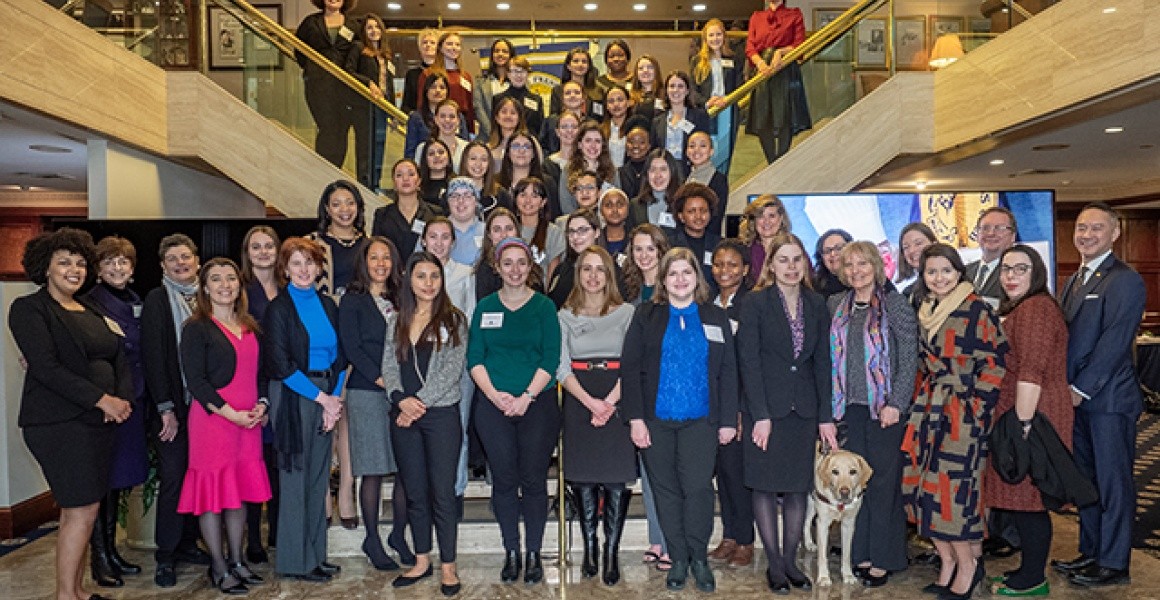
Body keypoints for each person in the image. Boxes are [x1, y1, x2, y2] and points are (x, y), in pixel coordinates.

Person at [10, 228, 134, 600]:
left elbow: (119, 355)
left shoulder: (92, 307)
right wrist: (102, 399)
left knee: (83, 509)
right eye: (64, 262)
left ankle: (77, 591)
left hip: (98, 423)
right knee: (81, 509)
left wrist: (121, 399)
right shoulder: (30, 309)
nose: (74, 270)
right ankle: (67, 596)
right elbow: (46, 368)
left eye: (81, 263)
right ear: (45, 268)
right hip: (57, 423)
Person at [622, 246, 738, 593]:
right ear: (663, 279)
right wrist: (635, 419)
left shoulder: (714, 317)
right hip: (655, 421)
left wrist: (729, 419)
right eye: (672, 273)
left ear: (696, 278)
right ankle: (678, 558)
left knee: (699, 490)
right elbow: (630, 370)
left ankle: (699, 558)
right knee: (666, 492)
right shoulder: (646, 315)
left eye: (686, 272)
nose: (680, 279)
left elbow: (729, 372)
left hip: (702, 421)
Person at [902, 243, 1008, 600]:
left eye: (946, 270)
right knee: (925, 490)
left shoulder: (977, 309)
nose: (939, 278)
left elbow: (995, 364)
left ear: (959, 272)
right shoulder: (925, 308)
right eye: (931, 271)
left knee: (955, 494)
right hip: (929, 411)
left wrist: (976, 410)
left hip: (961, 415)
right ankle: (946, 563)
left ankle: (968, 566)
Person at [1052, 202, 1146, 588]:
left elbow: (1114, 342)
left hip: (1107, 402)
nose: (1086, 235)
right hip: (1077, 403)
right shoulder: (1075, 279)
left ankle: (1114, 563)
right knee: (1086, 483)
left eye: (1095, 228)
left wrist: (1079, 388)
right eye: (1081, 228)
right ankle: (1091, 553)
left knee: (1114, 484)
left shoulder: (1124, 279)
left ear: (1115, 233)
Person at [738, 233, 835, 592]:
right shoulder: (755, 303)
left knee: (797, 488)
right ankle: (775, 566)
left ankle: (792, 561)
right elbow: (748, 360)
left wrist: (825, 415)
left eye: (797, 260)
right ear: (771, 265)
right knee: (763, 487)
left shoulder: (816, 304)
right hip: (765, 410)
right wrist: (760, 414)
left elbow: (822, 363)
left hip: (804, 410)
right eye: (784, 260)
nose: (791, 267)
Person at [468, 237, 562, 584]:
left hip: (537, 404)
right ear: (497, 267)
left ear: (530, 266)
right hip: (492, 407)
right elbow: (475, 358)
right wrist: (494, 396)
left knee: (534, 480)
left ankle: (534, 554)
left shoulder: (544, 307)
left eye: (521, 262)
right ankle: (512, 552)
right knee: (504, 481)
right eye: (508, 263)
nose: (515, 269)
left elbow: (550, 358)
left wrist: (525, 396)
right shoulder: (485, 307)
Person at [981, 244, 1072, 597]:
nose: (1011, 276)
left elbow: (1031, 371)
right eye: (1006, 269)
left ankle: (1034, 580)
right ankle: (1028, 571)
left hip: (1033, 416)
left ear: (1036, 273)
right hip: (1025, 412)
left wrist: (1021, 427)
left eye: (1021, 269)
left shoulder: (1035, 309)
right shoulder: (1025, 307)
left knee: (1030, 499)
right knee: (1022, 499)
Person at [178, 258, 272, 594]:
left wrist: (262, 405)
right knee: (212, 496)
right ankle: (218, 566)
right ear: (204, 287)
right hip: (214, 422)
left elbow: (260, 375)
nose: (224, 285)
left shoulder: (250, 326)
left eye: (231, 278)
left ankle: (238, 560)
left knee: (239, 494)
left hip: (249, 422)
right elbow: (197, 381)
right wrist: (230, 413)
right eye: (215, 279)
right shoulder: (197, 328)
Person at [828, 240, 918, 587]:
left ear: (876, 267)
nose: (856, 271)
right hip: (849, 409)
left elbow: (909, 358)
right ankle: (860, 551)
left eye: (863, 264)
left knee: (882, 483)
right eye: (849, 265)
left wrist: (897, 402)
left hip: (885, 410)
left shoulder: (895, 305)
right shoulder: (836, 305)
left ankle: (885, 556)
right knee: (856, 484)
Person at [383, 252, 470, 595]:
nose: (429, 283)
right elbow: (388, 366)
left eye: (435, 276)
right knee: (415, 492)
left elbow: (452, 371)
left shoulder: (454, 320)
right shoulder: (396, 320)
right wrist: (399, 400)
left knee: (443, 493)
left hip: (440, 416)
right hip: (402, 416)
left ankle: (449, 566)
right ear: (409, 280)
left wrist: (417, 404)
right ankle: (421, 560)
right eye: (421, 276)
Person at [265, 237, 347, 582]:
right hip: (295, 396)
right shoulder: (278, 309)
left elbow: (341, 358)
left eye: (310, 262)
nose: (304, 269)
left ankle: (315, 555)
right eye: (296, 263)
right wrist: (322, 399)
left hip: (328, 395)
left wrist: (335, 401)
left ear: (319, 267)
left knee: (317, 478)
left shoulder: (328, 304)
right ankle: (294, 561)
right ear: (285, 269)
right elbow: (281, 365)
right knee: (296, 478)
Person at [557, 246, 637, 585]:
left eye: (600, 269)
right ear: (578, 275)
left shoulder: (627, 312)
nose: (593, 276)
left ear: (609, 274)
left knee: (616, 479)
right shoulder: (565, 315)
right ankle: (589, 548)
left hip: (618, 397)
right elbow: (560, 366)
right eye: (586, 269)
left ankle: (611, 552)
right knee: (584, 478)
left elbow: (634, 363)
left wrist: (609, 403)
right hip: (579, 399)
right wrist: (591, 403)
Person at [338, 236, 415, 572]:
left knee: (403, 468)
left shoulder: (403, 298)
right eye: (374, 257)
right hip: (367, 392)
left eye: (387, 257)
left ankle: (399, 535)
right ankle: (372, 537)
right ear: (363, 262)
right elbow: (352, 348)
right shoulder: (352, 301)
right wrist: (385, 381)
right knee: (371, 469)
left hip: (402, 395)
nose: (381, 263)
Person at [142, 233, 213, 588]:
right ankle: (165, 555)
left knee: (195, 477)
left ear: (197, 261)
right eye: (173, 259)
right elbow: (153, 357)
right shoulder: (157, 300)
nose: (181, 263)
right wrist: (166, 409)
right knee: (173, 479)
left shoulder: (209, 298)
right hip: (172, 408)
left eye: (186, 257)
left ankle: (188, 544)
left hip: (206, 409)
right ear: (163, 266)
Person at [84, 236, 149, 588]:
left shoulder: (135, 300)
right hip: (107, 403)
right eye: (109, 262)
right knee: (102, 482)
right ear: (98, 267)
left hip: (134, 400)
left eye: (123, 261)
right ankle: (99, 558)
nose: (118, 268)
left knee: (118, 480)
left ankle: (112, 550)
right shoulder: (90, 304)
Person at [421, 218, 478, 512]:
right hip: (422, 363)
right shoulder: (414, 275)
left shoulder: (465, 273)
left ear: (454, 242)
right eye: (433, 236)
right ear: (424, 240)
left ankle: (453, 493)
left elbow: (469, 318)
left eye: (445, 237)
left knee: (458, 428)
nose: (439, 242)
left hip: (457, 364)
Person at [706, 239, 754, 568]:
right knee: (722, 473)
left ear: (746, 269)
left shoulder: (749, 306)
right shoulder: (707, 305)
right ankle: (729, 535)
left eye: (733, 265)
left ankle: (746, 539)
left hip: (738, 403)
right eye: (720, 264)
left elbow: (747, 362)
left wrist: (738, 409)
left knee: (738, 474)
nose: (725, 270)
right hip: (711, 402)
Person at [238, 226, 283, 564]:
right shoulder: (239, 291)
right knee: (255, 465)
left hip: (286, 385)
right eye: (257, 247)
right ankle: (254, 537)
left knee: (281, 464)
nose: (264, 252)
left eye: (269, 246)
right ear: (247, 252)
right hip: (250, 387)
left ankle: (279, 533)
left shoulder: (288, 287)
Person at [746, 0, 812, 163]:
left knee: (785, 118)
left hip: (785, 70)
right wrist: (760, 63)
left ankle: (780, 161)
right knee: (762, 119)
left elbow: (800, 44)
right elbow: (750, 46)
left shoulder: (794, 14)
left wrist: (780, 52)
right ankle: (772, 162)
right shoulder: (757, 16)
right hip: (762, 70)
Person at [295, 0, 358, 168]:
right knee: (327, 127)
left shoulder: (353, 25)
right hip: (318, 84)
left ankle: (336, 170)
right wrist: (312, 68)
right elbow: (298, 50)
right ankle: (324, 170)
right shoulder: (310, 22)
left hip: (345, 85)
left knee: (342, 129)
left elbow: (358, 55)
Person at [345, 13, 395, 191]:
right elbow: (348, 71)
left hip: (382, 107)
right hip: (364, 106)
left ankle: (376, 183)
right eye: (369, 27)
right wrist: (368, 83)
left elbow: (389, 85)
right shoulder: (358, 48)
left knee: (380, 145)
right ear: (364, 31)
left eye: (377, 27)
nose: (374, 31)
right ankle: (364, 184)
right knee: (366, 146)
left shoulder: (385, 55)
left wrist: (393, 112)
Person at [692, 18, 742, 173]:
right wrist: (707, 102)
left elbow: (739, 85)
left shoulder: (733, 59)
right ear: (705, 38)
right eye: (711, 35)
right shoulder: (697, 61)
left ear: (724, 36)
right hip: (707, 110)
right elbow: (693, 91)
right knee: (709, 148)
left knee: (726, 149)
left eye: (718, 34)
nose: (715, 39)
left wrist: (727, 99)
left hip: (728, 108)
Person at [371, 159, 444, 265]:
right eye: (399, 175)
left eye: (411, 174)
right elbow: (376, 248)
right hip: (392, 275)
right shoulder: (382, 214)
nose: (405, 179)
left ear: (419, 181)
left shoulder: (435, 213)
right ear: (394, 183)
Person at [308, 179, 368, 299]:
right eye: (336, 204)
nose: (344, 209)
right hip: (327, 313)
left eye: (350, 203)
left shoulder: (369, 244)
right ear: (327, 209)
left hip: (362, 313)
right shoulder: (311, 244)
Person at [665, 182, 722, 291]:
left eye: (703, 210)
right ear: (681, 216)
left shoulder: (720, 245)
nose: (698, 216)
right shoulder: (669, 245)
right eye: (691, 211)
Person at [417, 32, 474, 134]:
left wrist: (471, 132)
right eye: (449, 44)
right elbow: (422, 103)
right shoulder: (428, 73)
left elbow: (469, 108)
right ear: (440, 47)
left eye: (457, 45)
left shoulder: (466, 76)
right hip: (435, 126)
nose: (454, 47)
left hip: (460, 127)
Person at [649, 71, 710, 164]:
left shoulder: (699, 116)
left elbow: (705, 144)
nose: (675, 90)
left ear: (687, 91)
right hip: (664, 170)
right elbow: (654, 151)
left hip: (690, 170)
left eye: (680, 86)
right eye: (672, 86)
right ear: (667, 90)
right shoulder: (657, 121)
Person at [495, 131, 561, 217]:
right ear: (508, 153)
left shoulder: (547, 182)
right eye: (516, 146)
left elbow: (554, 215)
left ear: (533, 153)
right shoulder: (495, 183)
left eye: (527, 146)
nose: (521, 151)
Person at [548, 208, 603, 308]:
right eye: (571, 231)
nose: (576, 236)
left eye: (583, 230)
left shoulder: (609, 268)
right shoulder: (561, 269)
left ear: (597, 232)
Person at [966, 207, 1018, 308]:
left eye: (999, 228)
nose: (991, 233)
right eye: (985, 228)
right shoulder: (963, 271)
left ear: (1013, 236)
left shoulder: (1017, 273)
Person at [513, 176, 566, 276]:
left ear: (543, 202)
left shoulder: (554, 232)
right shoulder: (509, 230)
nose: (528, 200)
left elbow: (553, 272)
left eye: (534, 196)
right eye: (523, 195)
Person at [405, 73, 459, 160]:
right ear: (426, 91)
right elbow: (410, 152)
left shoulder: (458, 115)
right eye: (433, 87)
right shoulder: (416, 117)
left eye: (442, 87)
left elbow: (464, 145)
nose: (438, 91)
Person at [474, 207, 524, 300]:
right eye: (497, 230)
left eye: (509, 229)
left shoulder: (530, 265)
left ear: (517, 231)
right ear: (489, 235)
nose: (504, 235)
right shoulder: (484, 269)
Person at [683, 131, 729, 235]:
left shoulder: (719, 180)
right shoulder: (682, 177)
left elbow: (716, 217)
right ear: (686, 151)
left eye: (702, 145)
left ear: (711, 151)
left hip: (708, 240)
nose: (696, 150)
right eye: (692, 146)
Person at [738, 194, 791, 282]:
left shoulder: (794, 248)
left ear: (781, 218)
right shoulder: (743, 251)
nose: (766, 222)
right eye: (761, 216)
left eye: (771, 216)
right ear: (753, 220)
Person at [415, 99, 471, 177]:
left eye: (452, 116)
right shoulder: (422, 148)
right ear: (436, 119)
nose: (447, 120)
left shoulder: (467, 148)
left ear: (458, 121)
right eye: (442, 116)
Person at [494, 57, 544, 144]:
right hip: (505, 144)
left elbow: (539, 128)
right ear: (508, 74)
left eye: (523, 71)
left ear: (528, 74)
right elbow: (495, 128)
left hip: (529, 145)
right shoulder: (498, 99)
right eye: (514, 71)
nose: (519, 75)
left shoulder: (536, 100)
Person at [630, 149, 683, 229]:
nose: (658, 175)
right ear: (647, 174)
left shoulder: (682, 204)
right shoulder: (635, 205)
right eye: (653, 170)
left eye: (663, 169)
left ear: (672, 173)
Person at [474, 38, 514, 141]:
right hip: (486, 138)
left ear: (511, 55)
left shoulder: (519, 83)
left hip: (513, 138)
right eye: (496, 51)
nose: (500, 54)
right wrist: (492, 133)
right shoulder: (480, 82)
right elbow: (479, 109)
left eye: (505, 51)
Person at [442, 175, 486, 265]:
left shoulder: (488, 231)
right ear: (448, 201)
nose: (461, 201)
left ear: (476, 201)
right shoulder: (434, 231)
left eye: (467, 196)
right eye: (454, 196)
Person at [622, 224, 670, 306]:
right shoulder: (625, 287)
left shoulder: (673, 286)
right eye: (638, 249)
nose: (644, 255)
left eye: (650, 249)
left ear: (661, 250)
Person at [550, 47, 602, 117]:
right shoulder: (558, 91)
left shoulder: (597, 91)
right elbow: (553, 118)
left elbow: (600, 118)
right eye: (576, 61)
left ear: (589, 66)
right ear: (568, 66)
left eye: (584, 61)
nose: (580, 64)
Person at [401, 27, 440, 114]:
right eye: (424, 42)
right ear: (419, 47)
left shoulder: (443, 73)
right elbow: (406, 105)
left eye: (432, 43)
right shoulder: (411, 74)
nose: (428, 45)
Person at [485, 96, 526, 176]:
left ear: (519, 118)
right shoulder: (488, 147)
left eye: (513, 113)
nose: (508, 116)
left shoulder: (530, 144)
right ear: (496, 117)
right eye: (504, 112)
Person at [896, 222, 936, 303]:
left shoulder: (959, 278)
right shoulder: (908, 294)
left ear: (934, 244)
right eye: (906, 247)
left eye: (918, 243)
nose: (912, 250)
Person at [542, 87, 587, 156]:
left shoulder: (590, 123)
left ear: (583, 98)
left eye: (577, 92)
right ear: (562, 99)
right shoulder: (550, 121)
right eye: (567, 93)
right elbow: (543, 147)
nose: (572, 95)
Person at [459, 141, 501, 214]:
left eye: (484, 159)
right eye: (473, 158)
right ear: (465, 161)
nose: (478, 164)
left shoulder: (501, 195)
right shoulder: (452, 193)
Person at [617, 122, 653, 201]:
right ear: (626, 145)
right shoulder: (619, 173)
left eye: (642, 142)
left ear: (649, 146)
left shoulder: (654, 171)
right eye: (631, 142)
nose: (636, 146)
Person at [812, 229, 852, 297]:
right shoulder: (814, 288)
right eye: (827, 251)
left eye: (839, 248)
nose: (833, 254)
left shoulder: (864, 278)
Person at [601, 85, 634, 167]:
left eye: (620, 100)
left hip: (628, 177)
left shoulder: (635, 128)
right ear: (607, 106)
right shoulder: (600, 129)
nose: (616, 104)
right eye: (611, 101)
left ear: (629, 103)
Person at [419, 138, 456, 207]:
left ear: (448, 156)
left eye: (441, 152)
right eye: (431, 154)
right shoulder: (417, 186)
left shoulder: (458, 184)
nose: (437, 156)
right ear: (425, 159)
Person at [630, 55, 665, 124]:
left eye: (650, 67)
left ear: (656, 71)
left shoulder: (666, 95)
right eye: (641, 68)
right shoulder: (629, 96)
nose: (645, 71)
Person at [600, 188, 632, 258]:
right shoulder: (595, 240)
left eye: (620, 205)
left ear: (627, 209)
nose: (614, 210)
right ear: (601, 211)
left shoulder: (636, 238)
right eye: (608, 205)